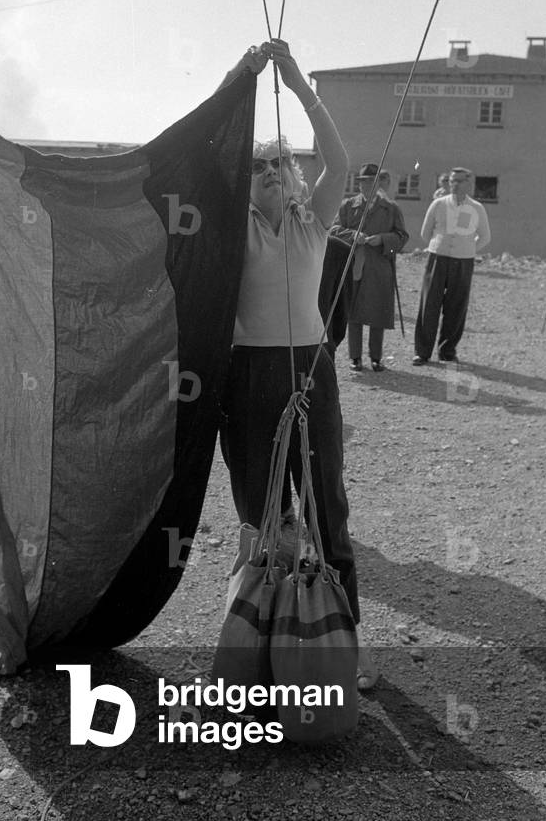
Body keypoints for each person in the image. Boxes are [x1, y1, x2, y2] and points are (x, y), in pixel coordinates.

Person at [218, 38, 377, 689]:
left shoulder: (314, 223)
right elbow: (208, 153)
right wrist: (246, 77)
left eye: (283, 165)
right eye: (262, 168)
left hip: (312, 370)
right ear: (245, 184)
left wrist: (298, 81)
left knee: (324, 507)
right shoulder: (231, 226)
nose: (276, 173)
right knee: (261, 512)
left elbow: (337, 157)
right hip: (248, 376)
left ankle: (344, 636)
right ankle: (260, 635)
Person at [331, 163, 408, 372]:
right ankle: (355, 357)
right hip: (353, 264)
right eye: (362, 182)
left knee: (377, 313)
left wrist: (383, 239)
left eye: (371, 182)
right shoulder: (348, 206)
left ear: (379, 184)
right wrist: (353, 235)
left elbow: (402, 237)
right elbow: (334, 230)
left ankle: (376, 357)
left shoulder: (391, 208)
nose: (366, 186)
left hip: (379, 266)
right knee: (352, 313)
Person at [413, 166, 491, 365]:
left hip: (463, 261)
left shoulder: (477, 208)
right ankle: (422, 352)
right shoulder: (439, 204)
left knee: (456, 306)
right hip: (438, 258)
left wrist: (467, 249)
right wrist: (439, 245)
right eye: (451, 181)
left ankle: (447, 351)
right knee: (429, 304)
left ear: (469, 183)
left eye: (459, 181)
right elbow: (425, 233)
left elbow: (485, 237)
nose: (454, 185)